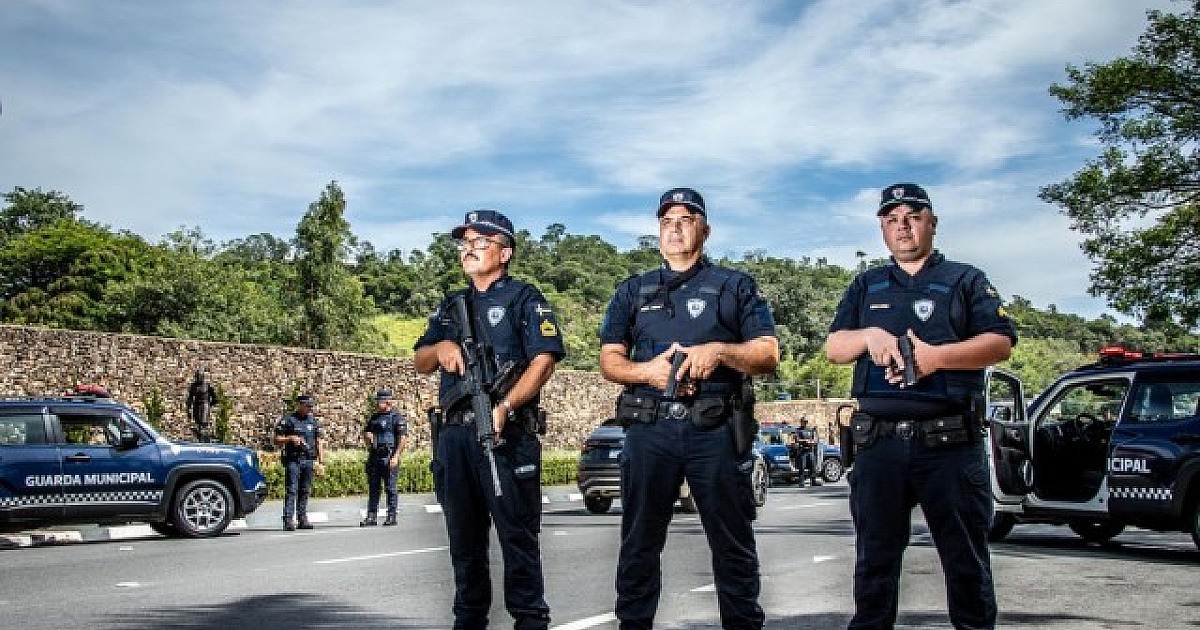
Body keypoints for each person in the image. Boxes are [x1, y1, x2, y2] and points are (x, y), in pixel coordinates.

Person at [825, 183, 1016, 630]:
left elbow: (1000, 343)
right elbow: (835, 346)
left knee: (966, 564)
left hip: (947, 443)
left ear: (932, 222)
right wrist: (868, 335)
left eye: (912, 216)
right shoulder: (866, 284)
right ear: (882, 229)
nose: (902, 226)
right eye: (892, 219)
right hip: (879, 444)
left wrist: (935, 358)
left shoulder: (965, 280)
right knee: (874, 564)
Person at [599, 187, 779, 630]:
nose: (675, 227)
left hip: (714, 428)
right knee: (639, 543)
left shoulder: (733, 286)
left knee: (732, 544)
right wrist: (648, 373)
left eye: (685, 219)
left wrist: (718, 352)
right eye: (666, 221)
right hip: (651, 429)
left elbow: (768, 353)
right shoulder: (633, 290)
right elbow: (609, 360)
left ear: (705, 229)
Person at [413, 209, 564, 630]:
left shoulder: (525, 298)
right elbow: (420, 360)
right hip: (455, 437)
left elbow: (543, 361)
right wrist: (441, 347)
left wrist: (506, 406)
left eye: (481, 242)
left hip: (505, 434)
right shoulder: (451, 305)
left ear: (505, 252)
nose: (470, 249)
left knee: (518, 542)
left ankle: (530, 621)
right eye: (466, 242)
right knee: (464, 548)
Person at [273, 394, 325, 531]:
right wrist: (290, 438)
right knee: (292, 490)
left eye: (311, 406)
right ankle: (288, 520)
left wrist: (321, 461)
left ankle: (302, 519)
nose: (309, 409)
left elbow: (319, 441)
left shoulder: (313, 421)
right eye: (307, 406)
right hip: (293, 460)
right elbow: (277, 440)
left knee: (305, 491)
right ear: (300, 405)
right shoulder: (288, 420)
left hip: (308, 459)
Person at [361, 389, 409, 526]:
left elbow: (403, 438)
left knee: (390, 488)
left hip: (389, 456)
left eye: (379, 401)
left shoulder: (397, 418)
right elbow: (367, 434)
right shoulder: (374, 417)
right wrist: (367, 437)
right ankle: (371, 517)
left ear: (387, 402)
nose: (376, 403)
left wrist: (396, 456)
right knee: (374, 488)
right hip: (375, 456)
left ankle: (391, 516)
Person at [186, 368, 218, 442]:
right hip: (196, 406)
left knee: (203, 423)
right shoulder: (193, 386)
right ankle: (200, 439)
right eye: (196, 376)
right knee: (198, 424)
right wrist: (188, 409)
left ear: (202, 376)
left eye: (199, 376)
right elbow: (190, 398)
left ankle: (205, 439)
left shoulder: (207, 386)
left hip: (204, 406)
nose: (197, 378)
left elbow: (215, 398)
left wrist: (209, 404)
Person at [794, 417, 822, 487]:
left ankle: (813, 481)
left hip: (810, 450)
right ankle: (801, 482)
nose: (806, 423)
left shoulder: (810, 430)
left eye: (806, 422)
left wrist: (813, 441)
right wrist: (805, 441)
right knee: (802, 467)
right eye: (804, 422)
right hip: (802, 451)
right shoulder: (798, 430)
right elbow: (796, 439)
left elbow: (815, 439)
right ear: (801, 422)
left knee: (812, 466)